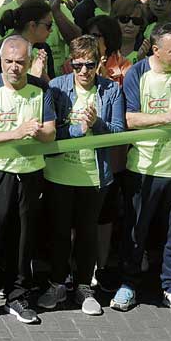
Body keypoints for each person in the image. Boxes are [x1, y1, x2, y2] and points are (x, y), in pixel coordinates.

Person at [112, 23, 171, 316]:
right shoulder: (137, 73)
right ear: (155, 50)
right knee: (135, 231)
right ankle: (128, 284)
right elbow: (129, 118)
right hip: (143, 169)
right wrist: (165, 117)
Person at [0, 35, 57, 325]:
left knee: (24, 238)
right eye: (9, 62)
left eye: (20, 62)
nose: (14, 68)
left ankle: (17, 297)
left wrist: (38, 133)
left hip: (30, 172)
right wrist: (16, 133)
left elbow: (51, 133)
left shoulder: (42, 89)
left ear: (29, 63)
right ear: (0, 61)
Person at [41, 35, 125, 314]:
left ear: (99, 63)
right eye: (77, 66)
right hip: (59, 174)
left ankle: (83, 286)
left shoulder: (111, 90)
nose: (84, 72)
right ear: (69, 65)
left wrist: (96, 124)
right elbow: (50, 132)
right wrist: (79, 129)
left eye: (89, 65)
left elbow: (118, 135)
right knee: (59, 232)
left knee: (88, 233)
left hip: (93, 175)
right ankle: (56, 283)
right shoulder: (56, 88)